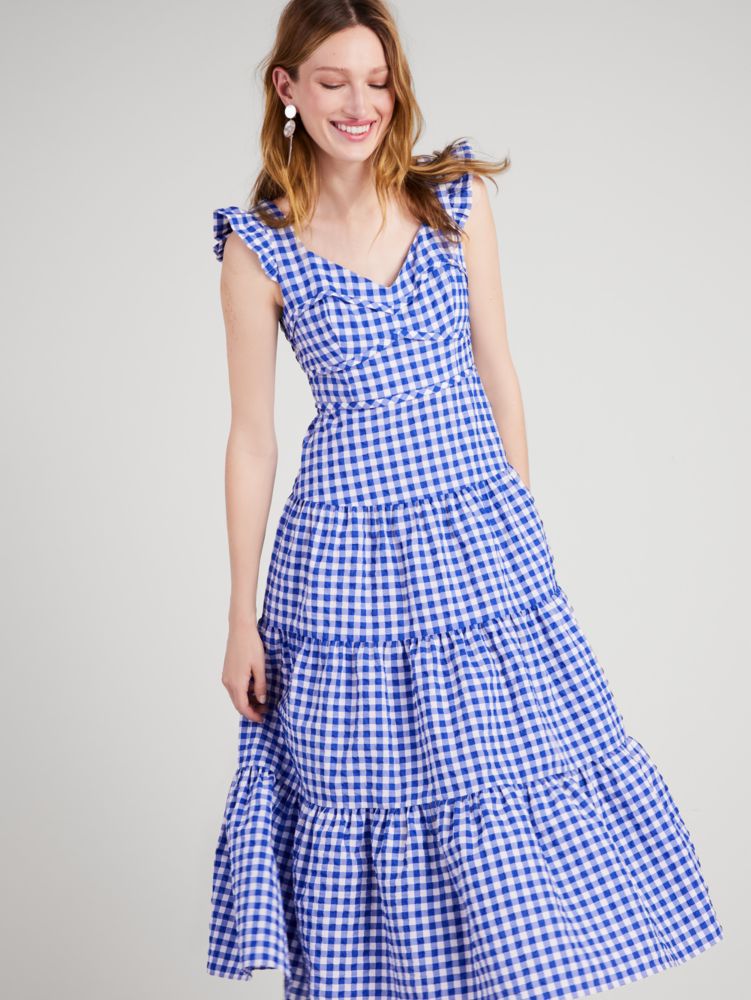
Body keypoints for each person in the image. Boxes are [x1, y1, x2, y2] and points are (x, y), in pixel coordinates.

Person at [206, 3, 724, 998]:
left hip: (474, 535)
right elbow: (252, 439)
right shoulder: (257, 246)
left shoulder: (455, 200)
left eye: (376, 81)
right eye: (331, 81)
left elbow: (497, 369)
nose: (358, 104)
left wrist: (517, 520)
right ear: (286, 88)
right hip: (342, 560)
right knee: (367, 788)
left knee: (497, 781)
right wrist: (239, 618)